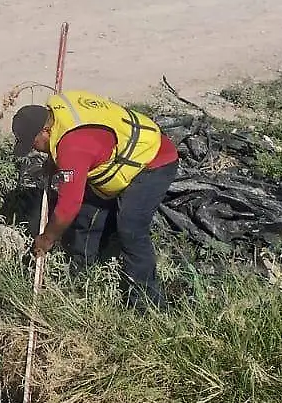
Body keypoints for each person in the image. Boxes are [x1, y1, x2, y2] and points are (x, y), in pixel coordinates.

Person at [10, 91, 179, 310]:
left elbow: (68, 207)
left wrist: (47, 238)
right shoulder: (58, 111)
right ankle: (83, 276)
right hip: (120, 154)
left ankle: (147, 304)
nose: (34, 148)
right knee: (89, 214)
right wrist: (54, 158)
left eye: (33, 142)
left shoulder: (72, 148)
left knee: (130, 227)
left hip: (153, 160)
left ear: (45, 130)